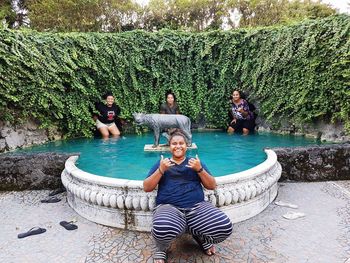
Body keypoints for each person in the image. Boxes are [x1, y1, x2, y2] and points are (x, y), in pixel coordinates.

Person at [144, 130, 233, 263]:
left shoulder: (195, 163)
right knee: (161, 227)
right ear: (169, 146)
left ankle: (199, 236)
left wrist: (199, 169)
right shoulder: (161, 163)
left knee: (224, 226)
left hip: (197, 207)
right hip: (169, 207)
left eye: (181, 143)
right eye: (174, 143)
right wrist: (161, 170)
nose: (178, 146)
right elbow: (147, 187)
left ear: (187, 146)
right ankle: (162, 247)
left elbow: (212, 185)